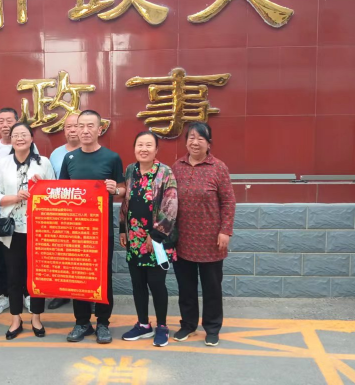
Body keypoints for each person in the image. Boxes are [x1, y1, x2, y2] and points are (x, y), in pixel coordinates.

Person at [59, 109, 125, 344]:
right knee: (79, 276)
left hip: (101, 229)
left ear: (100, 129)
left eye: (90, 126)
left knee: (103, 276)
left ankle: (103, 323)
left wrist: (115, 189)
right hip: (76, 229)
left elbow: (123, 189)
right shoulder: (69, 159)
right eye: (81, 126)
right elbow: (61, 191)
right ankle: (82, 322)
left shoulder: (112, 158)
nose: (85, 130)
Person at [171, 122, 235, 347]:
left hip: (211, 241)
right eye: (191, 137)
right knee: (186, 287)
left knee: (212, 288)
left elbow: (228, 202)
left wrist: (225, 231)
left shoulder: (218, 167)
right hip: (183, 239)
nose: (195, 142)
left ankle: (212, 327)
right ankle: (188, 324)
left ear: (209, 143)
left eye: (200, 138)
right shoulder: (177, 167)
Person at [0, 122, 56, 339]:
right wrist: (15, 197)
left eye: (24, 134)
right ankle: (16, 318)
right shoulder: (3, 163)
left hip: (38, 229)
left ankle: (36, 317)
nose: (19, 138)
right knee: (14, 274)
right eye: (15, 135)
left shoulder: (43, 163)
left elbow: (54, 193)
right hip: (12, 230)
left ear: (31, 138)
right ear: (11, 139)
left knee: (36, 275)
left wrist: (41, 186)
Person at [119, 131, 178, 347]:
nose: (143, 149)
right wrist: (122, 229)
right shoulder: (130, 170)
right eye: (140, 145)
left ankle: (162, 326)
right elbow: (126, 202)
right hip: (134, 239)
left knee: (156, 284)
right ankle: (143, 324)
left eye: (148, 145)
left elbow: (171, 205)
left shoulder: (165, 172)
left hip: (157, 240)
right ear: (134, 148)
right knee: (138, 284)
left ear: (156, 150)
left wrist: (155, 236)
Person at [46, 112, 80, 311]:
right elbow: (50, 183)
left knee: (86, 255)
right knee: (62, 255)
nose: (72, 130)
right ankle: (63, 293)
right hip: (61, 213)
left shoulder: (94, 152)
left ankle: (89, 296)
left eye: (76, 126)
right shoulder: (56, 154)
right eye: (68, 127)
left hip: (86, 213)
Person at [0, 107, 19, 316]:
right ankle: (2, 295)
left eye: (9, 120)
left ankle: (26, 294)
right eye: (1, 121)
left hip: (23, 214)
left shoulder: (30, 147)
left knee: (23, 258)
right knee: (1, 259)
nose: (5, 125)